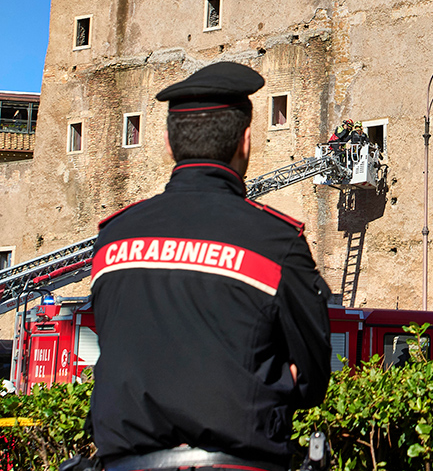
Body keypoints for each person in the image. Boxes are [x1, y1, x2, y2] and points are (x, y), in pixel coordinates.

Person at [88, 61, 332, 471]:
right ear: (247, 141)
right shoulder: (277, 242)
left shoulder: (113, 238)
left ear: (168, 143)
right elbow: (311, 376)